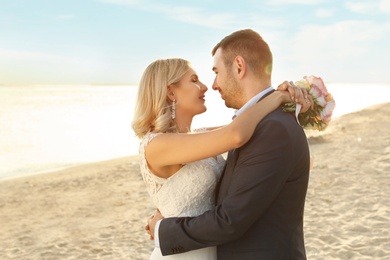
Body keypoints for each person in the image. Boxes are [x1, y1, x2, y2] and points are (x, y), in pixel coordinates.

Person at [146, 29, 311, 259]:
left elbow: (230, 219)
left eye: (215, 72)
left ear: (239, 67)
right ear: (170, 93)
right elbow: (234, 132)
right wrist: (278, 97)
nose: (210, 85)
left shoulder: (269, 128)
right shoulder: (250, 127)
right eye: (195, 80)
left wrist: (164, 230)